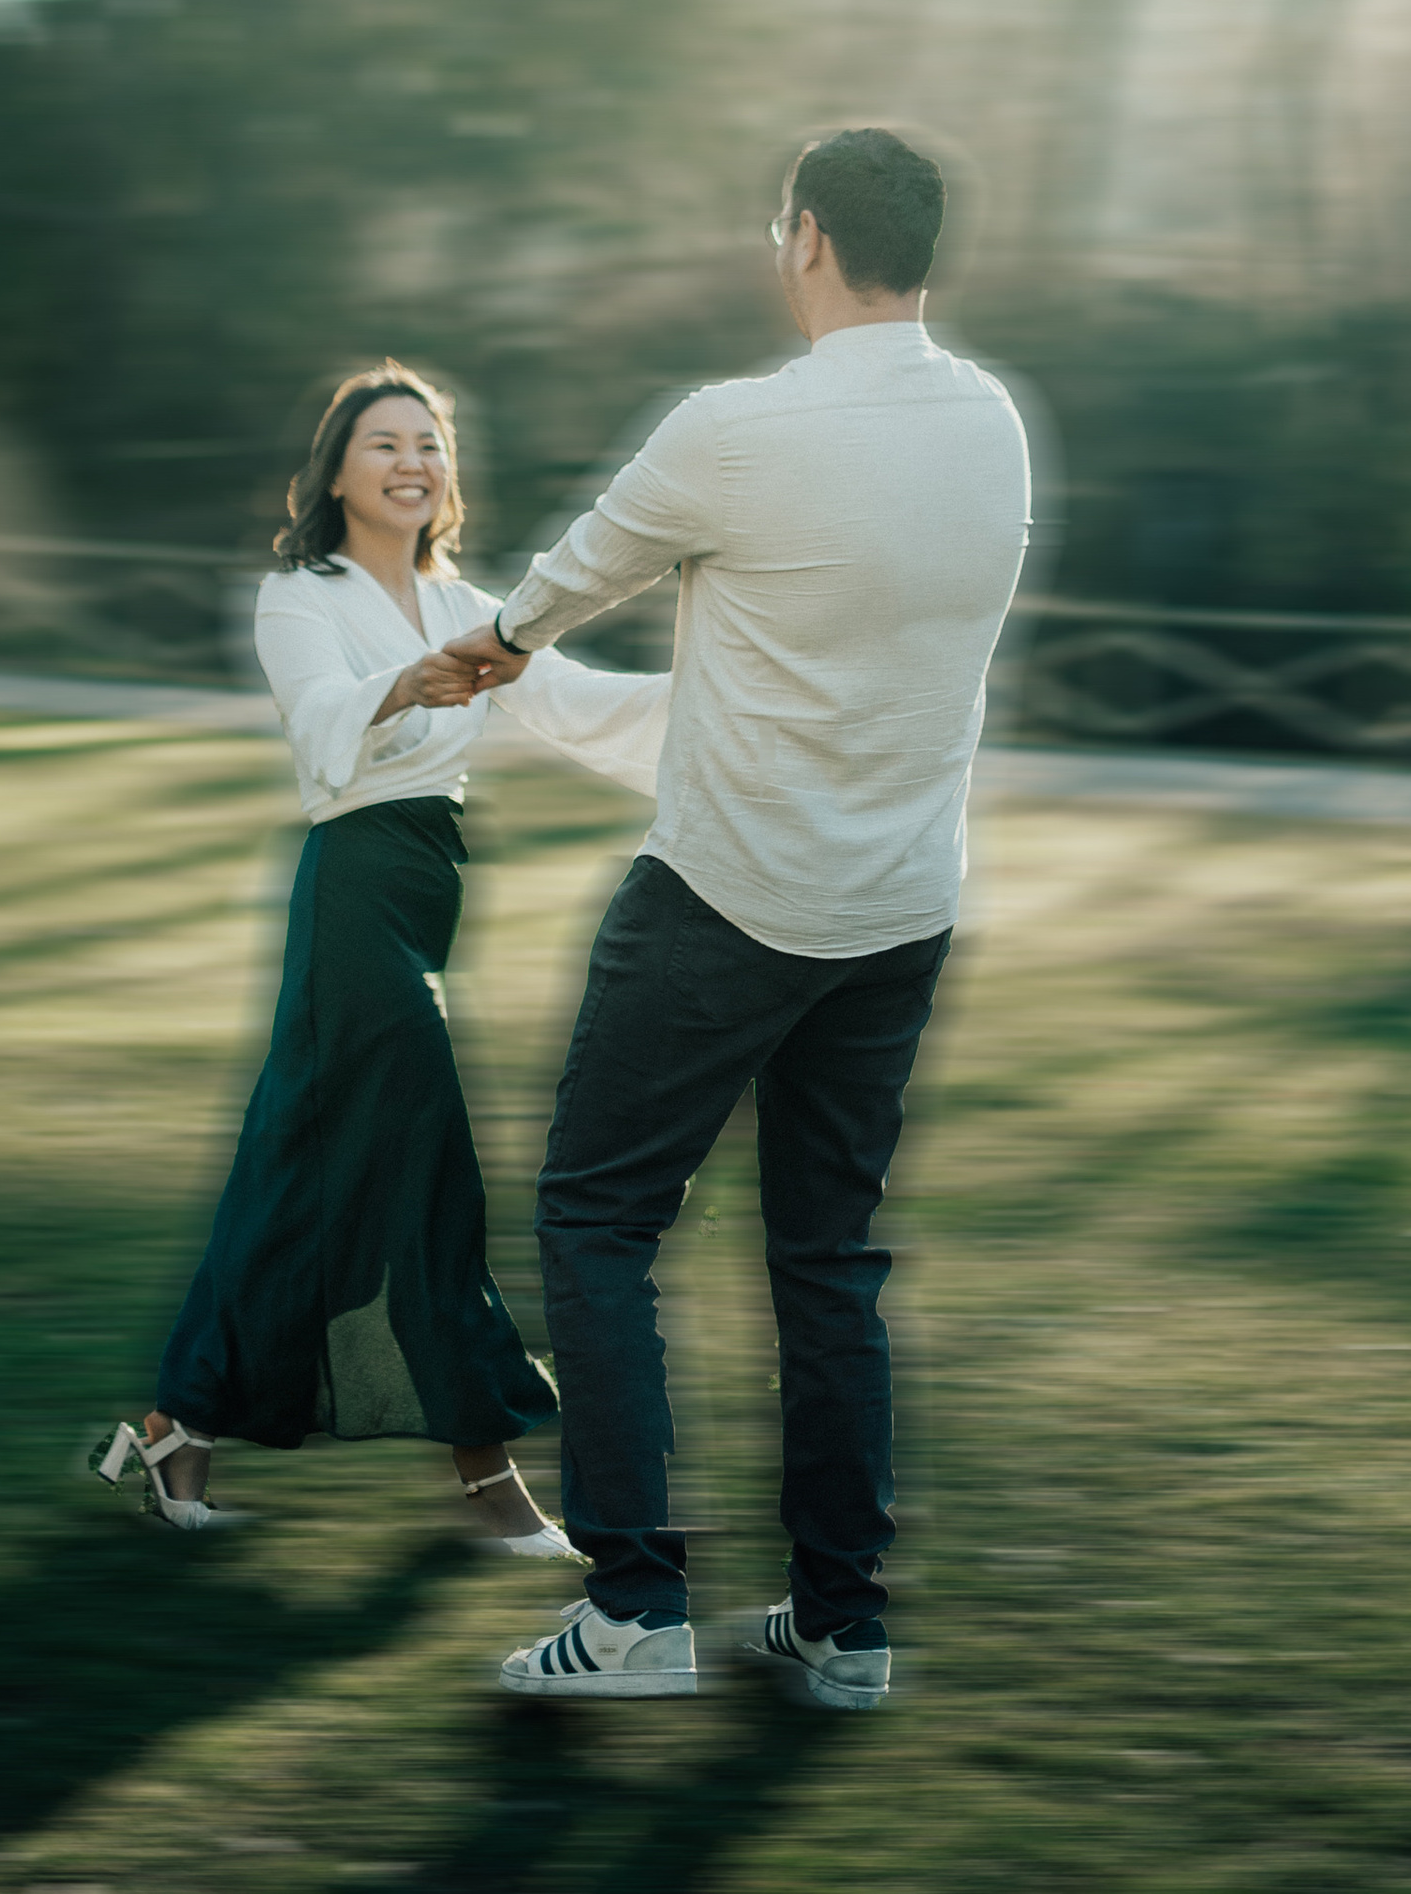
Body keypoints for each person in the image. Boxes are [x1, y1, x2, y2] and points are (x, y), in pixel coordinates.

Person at [439, 127, 1030, 1703]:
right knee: (828, 1260)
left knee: (596, 1214)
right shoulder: (993, 426)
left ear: (811, 238)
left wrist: (488, 642)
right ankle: (845, 1627)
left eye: (783, 227)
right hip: (899, 912)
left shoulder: (736, 430)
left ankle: (631, 1610)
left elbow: (569, 579)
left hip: (726, 897)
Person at [92, 362, 669, 1551]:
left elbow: (581, 706)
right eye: (384, 444)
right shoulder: (297, 593)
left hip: (430, 883)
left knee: (298, 1177)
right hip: (352, 893)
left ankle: (172, 1432)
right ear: (337, 470)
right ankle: (486, 1477)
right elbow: (318, 722)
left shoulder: (477, 604)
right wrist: (404, 681)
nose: (413, 462)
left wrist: (734, 693)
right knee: (427, 1160)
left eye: (430, 444)